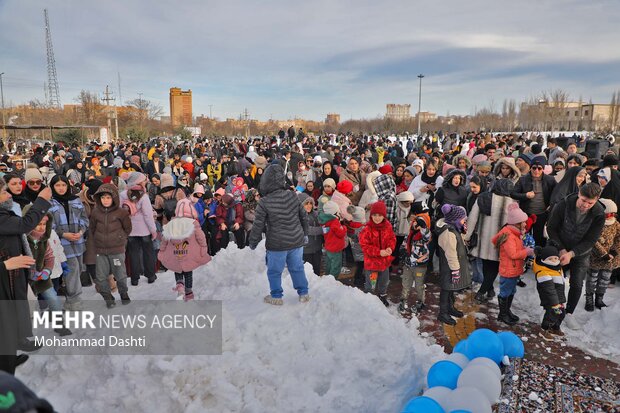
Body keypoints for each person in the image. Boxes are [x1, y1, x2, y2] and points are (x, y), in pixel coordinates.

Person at [0, 179, 52, 373]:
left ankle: (11, 353)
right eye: (4, 191)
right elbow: (24, 224)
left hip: (12, 275)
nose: (9, 195)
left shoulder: (4, 212)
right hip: (5, 277)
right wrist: (41, 201)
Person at [248, 164, 310, 305]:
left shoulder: (264, 202)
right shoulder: (292, 195)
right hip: (296, 240)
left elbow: (258, 225)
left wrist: (253, 241)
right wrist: (305, 233)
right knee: (297, 268)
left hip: (277, 244)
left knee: (275, 271)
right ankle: (304, 293)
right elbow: (304, 216)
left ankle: (276, 296)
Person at [546, 182, 605, 321]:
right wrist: (561, 249)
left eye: (590, 203)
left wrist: (572, 253)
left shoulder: (599, 214)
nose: (585, 205)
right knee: (551, 279)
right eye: (583, 200)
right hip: (559, 245)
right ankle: (551, 308)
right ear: (579, 193)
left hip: (581, 252)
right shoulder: (564, 204)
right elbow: (551, 228)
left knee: (577, 283)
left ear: (596, 200)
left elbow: (591, 240)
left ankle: (569, 313)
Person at [23, 207, 71, 336]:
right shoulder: (22, 240)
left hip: (41, 277)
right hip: (24, 280)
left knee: (53, 298)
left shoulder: (44, 240)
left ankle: (59, 325)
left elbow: (49, 257)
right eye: (38, 224)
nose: (42, 227)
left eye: (44, 224)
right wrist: (31, 273)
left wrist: (47, 271)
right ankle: (25, 333)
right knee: (28, 306)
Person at [48, 175, 88, 311]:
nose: (61, 188)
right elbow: (49, 224)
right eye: (57, 185)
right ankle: (74, 299)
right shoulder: (50, 202)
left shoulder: (75, 200)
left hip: (78, 241)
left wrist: (81, 232)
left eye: (63, 185)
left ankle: (72, 298)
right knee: (72, 268)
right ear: (52, 186)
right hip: (62, 243)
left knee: (77, 269)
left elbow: (84, 219)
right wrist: (64, 234)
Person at [89, 183, 132, 308]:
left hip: (117, 250)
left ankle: (124, 294)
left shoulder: (121, 213)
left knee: (121, 276)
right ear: (99, 199)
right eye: (103, 198)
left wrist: (120, 238)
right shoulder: (95, 212)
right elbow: (92, 229)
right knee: (101, 278)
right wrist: (98, 240)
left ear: (114, 198)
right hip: (100, 251)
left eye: (108, 197)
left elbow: (127, 228)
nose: (105, 200)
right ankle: (108, 297)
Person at [159, 198, 211, 301]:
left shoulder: (171, 224)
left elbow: (164, 239)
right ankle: (188, 292)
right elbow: (201, 237)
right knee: (188, 272)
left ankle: (179, 284)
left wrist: (162, 250)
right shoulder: (193, 223)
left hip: (175, 253)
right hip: (189, 254)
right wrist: (204, 248)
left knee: (177, 269)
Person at [491, 203, 534, 325]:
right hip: (509, 270)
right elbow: (513, 254)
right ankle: (502, 314)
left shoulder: (515, 233)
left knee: (511, 291)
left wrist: (524, 248)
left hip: (513, 269)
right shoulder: (509, 236)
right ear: (516, 223)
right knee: (505, 292)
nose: (525, 224)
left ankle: (507, 311)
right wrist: (527, 251)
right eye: (523, 222)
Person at [120, 172, 158, 285]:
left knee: (133, 253)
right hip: (144, 230)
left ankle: (134, 278)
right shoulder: (143, 196)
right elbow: (148, 215)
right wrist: (153, 230)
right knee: (148, 252)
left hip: (130, 229)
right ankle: (150, 275)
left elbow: (120, 212)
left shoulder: (123, 194)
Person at [436, 204, 471, 325]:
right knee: (446, 289)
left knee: (451, 289)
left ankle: (450, 308)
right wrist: (455, 270)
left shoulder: (455, 228)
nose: (464, 220)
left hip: (453, 265)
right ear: (455, 219)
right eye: (463, 219)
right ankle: (443, 313)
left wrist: (463, 231)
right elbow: (451, 254)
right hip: (449, 266)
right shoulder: (448, 233)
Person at [511, 156, 556, 247]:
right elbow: (513, 193)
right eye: (534, 168)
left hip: (542, 214)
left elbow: (557, 193)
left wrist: (551, 204)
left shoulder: (550, 180)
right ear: (530, 168)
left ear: (543, 169)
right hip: (526, 214)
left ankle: (537, 257)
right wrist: (525, 195)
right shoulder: (523, 179)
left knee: (539, 238)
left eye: (539, 168)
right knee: (523, 237)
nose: (536, 171)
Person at [359, 201, 396, 307]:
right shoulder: (367, 229)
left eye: (380, 215)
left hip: (384, 262)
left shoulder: (387, 226)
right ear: (371, 215)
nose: (377, 218)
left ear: (384, 216)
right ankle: (369, 298)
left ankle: (382, 295)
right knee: (371, 283)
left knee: (384, 281)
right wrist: (379, 252)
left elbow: (391, 239)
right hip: (372, 263)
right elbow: (365, 246)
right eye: (374, 215)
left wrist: (389, 248)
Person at [585, 198, 620, 311]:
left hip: (611, 258)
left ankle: (599, 298)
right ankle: (589, 298)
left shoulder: (616, 224)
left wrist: (613, 252)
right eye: (609, 214)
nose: (611, 216)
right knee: (592, 279)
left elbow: (618, 239)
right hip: (596, 257)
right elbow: (593, 240)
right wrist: (603, 254)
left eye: (614, 214)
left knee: (604, 280)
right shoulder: (594, 222)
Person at [400, 213, 431, 315]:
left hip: (420, 266)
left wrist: (423, 227)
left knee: (419, 285)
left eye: (419, 224)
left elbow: (427, 235)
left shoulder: (424, 237)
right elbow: (404, 244)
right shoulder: (409, 234)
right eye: (415, 223)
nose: (416, 225)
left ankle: (420, 302)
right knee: (406, 283)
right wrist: (402, 252)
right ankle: (403, 300)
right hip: (408, 264)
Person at [534, 245, 567, 340]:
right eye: (551, 258)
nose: (554, 260)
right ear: (544, 259)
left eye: (556, 258)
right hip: (550, 300)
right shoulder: (543, 272)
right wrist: (555, 303)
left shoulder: (556, 268)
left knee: (561, 313)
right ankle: (544, 329)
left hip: (557, 298)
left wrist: (560, 300)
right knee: (552, 313)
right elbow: (549, 289)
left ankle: (555, 327)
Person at [298, 193, 323, 277]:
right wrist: (323, 230)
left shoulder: (315, 214)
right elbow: (308, 230)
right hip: (306, 250)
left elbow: (323, 219)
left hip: (317, 249)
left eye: (310, 203)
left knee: (316, 271)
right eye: (306, 204)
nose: (309, 206)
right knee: (308, 273)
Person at [321, 200, 347, 277]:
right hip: (336, 247)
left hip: (328, 246)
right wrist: (344, 227)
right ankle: (333, 280)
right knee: (336, 265)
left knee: (329, 263)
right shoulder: (334, 222)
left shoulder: (324, 220)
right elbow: (341, 233)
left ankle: (327, 277)